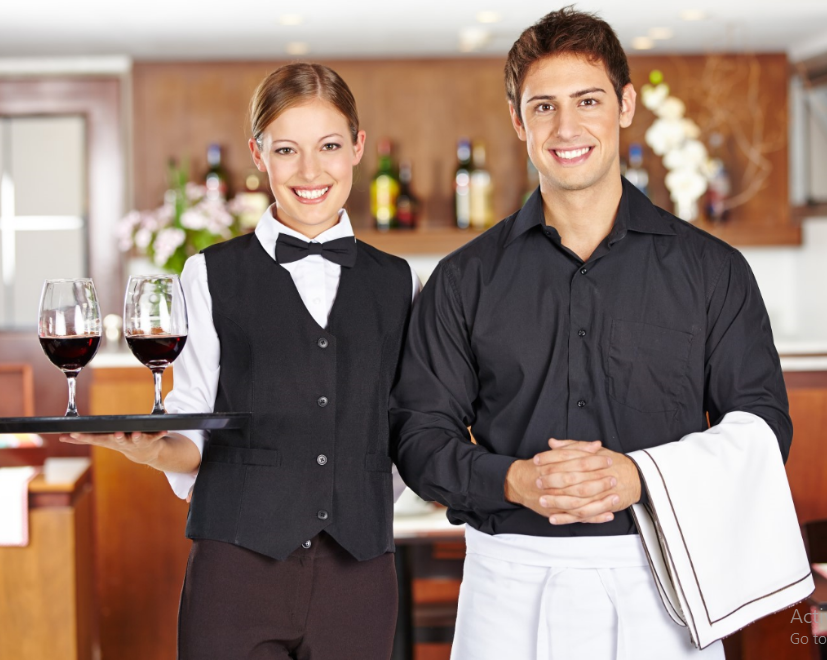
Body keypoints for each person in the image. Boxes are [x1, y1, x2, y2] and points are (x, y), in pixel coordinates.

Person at [389, 8, 794, 660]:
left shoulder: (712, 271)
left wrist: (639, 477)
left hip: (664, 582)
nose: (566, 127)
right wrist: (512, 481)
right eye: (543, 107)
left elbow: (763, 429)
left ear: (625, 105)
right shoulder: (462, 280)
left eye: (587, 100)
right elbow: (417, 438)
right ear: (518, 121)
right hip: (506, 588)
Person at [61, 62, 419, 660]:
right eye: (286, 149)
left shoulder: (399, 282)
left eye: (329, 146)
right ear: (258, 154)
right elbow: (192, 424)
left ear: (357, 147)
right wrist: (151, 449)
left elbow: (405, 428)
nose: (310, 171)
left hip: (359, 578)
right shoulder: (208, 274)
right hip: (236, 573)